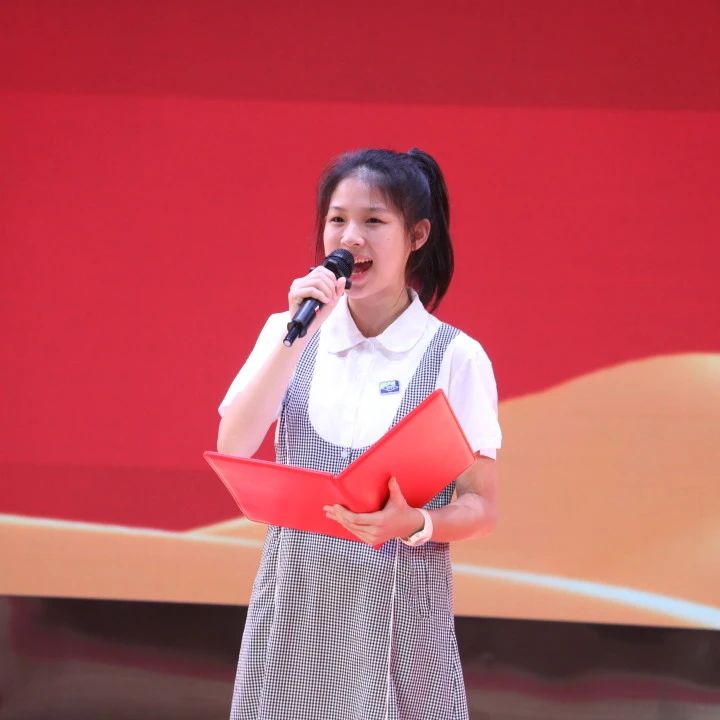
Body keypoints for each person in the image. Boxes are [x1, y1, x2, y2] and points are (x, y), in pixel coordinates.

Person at [217, 148, 502, 720]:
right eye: (337, 219)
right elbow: (235, 445)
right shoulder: (289, 332)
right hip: (293, 614)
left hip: (399, 627)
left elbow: (482, 507)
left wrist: (416, 522)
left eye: (373, 220)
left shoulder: (456, 356)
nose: (350, 238)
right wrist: (297, 334)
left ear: (417, 235)